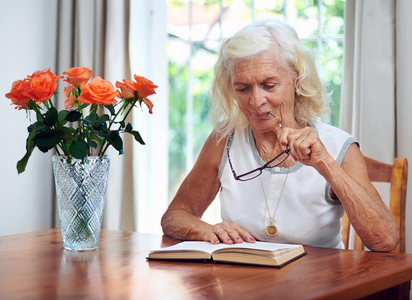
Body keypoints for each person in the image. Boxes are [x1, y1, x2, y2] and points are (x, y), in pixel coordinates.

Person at [161, 20, 399, 252]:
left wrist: (324, 162)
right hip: (245, 284)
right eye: (242, 88)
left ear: (296, 79)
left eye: (269, 85)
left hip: (320, 284)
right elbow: (174, 216)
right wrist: (207, 231)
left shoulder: (338, 146)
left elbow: (385, 240)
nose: (256, 101)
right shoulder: (224, 140)